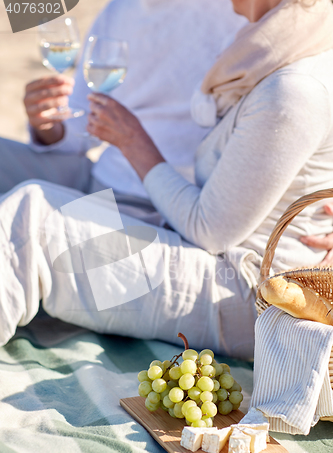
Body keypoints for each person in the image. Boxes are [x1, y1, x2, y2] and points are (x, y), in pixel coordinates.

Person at [0, 0, 332, 360]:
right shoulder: (263, 43)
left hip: (237, 275)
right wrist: (48, 125)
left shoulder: (281, 70)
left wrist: (132, 140)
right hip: (151, 202)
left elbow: (210, 227)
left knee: (30, 217)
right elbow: (84, 122)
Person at [0, 0, 246, 197]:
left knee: (23, 217)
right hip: (99, 178)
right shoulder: (119, 8)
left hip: (156, 203)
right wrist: (47, 125)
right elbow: (83, 122)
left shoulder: (237, 14)